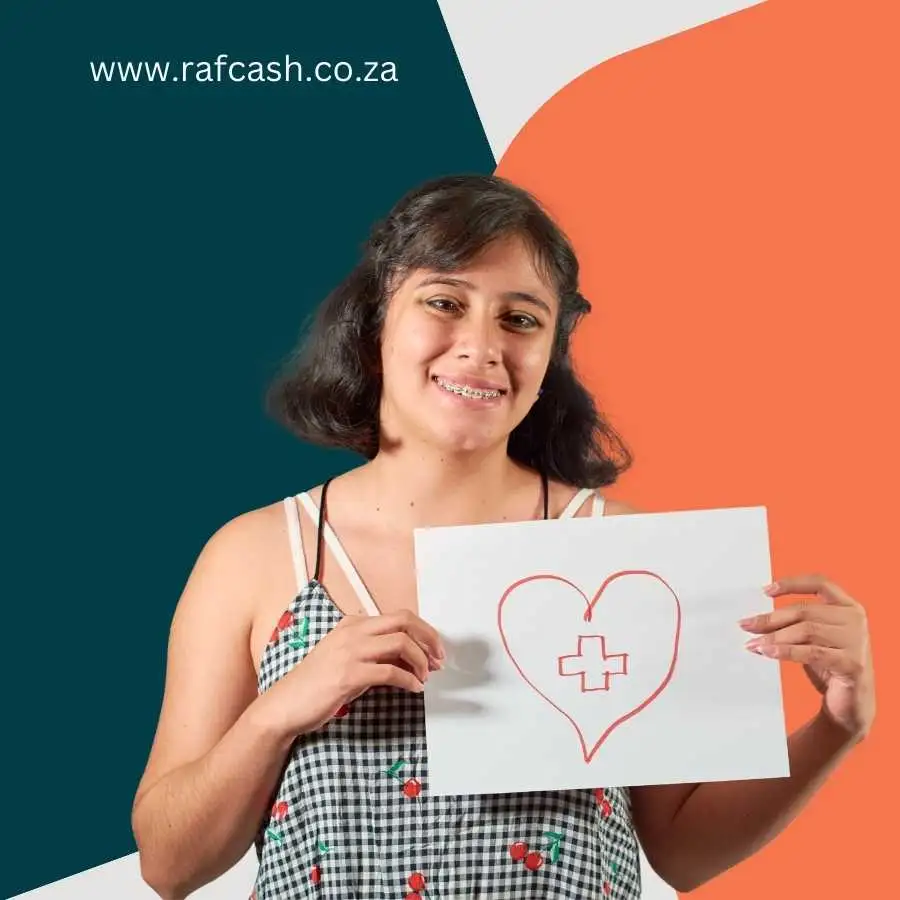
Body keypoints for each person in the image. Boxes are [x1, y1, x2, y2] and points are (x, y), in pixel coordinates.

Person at [131, 174, 875, 900]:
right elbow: (169, 865)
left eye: (520, 319)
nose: (481, 346)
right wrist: (280, 710)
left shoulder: (623, 555)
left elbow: (680, 853)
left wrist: (834, 727)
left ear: (550, 354)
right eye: (444, 302)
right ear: (374, 325)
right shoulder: (258, 555)